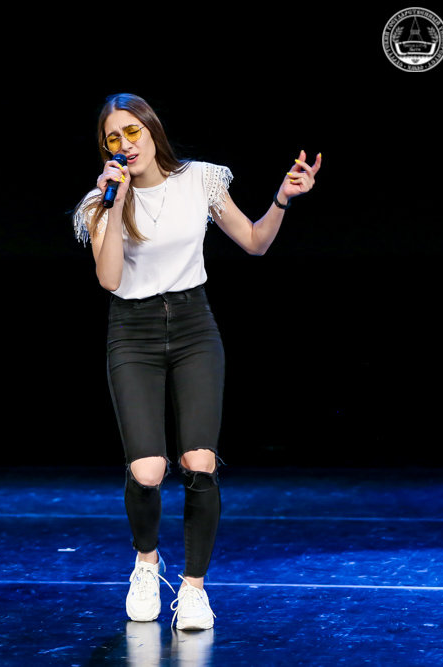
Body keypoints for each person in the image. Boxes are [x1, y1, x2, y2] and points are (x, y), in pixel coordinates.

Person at [72, 94, 320, 630]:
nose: (126, 144)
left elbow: (254, 242)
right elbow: (109, 278)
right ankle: (146, 564)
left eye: (133, 131)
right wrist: (113, 204)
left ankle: (194, 589)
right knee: (148, 470)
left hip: (192, 327)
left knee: (198, 462)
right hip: (132, 332)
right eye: (114, 138)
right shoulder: (101, 202)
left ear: (152, 130)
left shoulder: (199, 180)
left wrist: (281, 199)